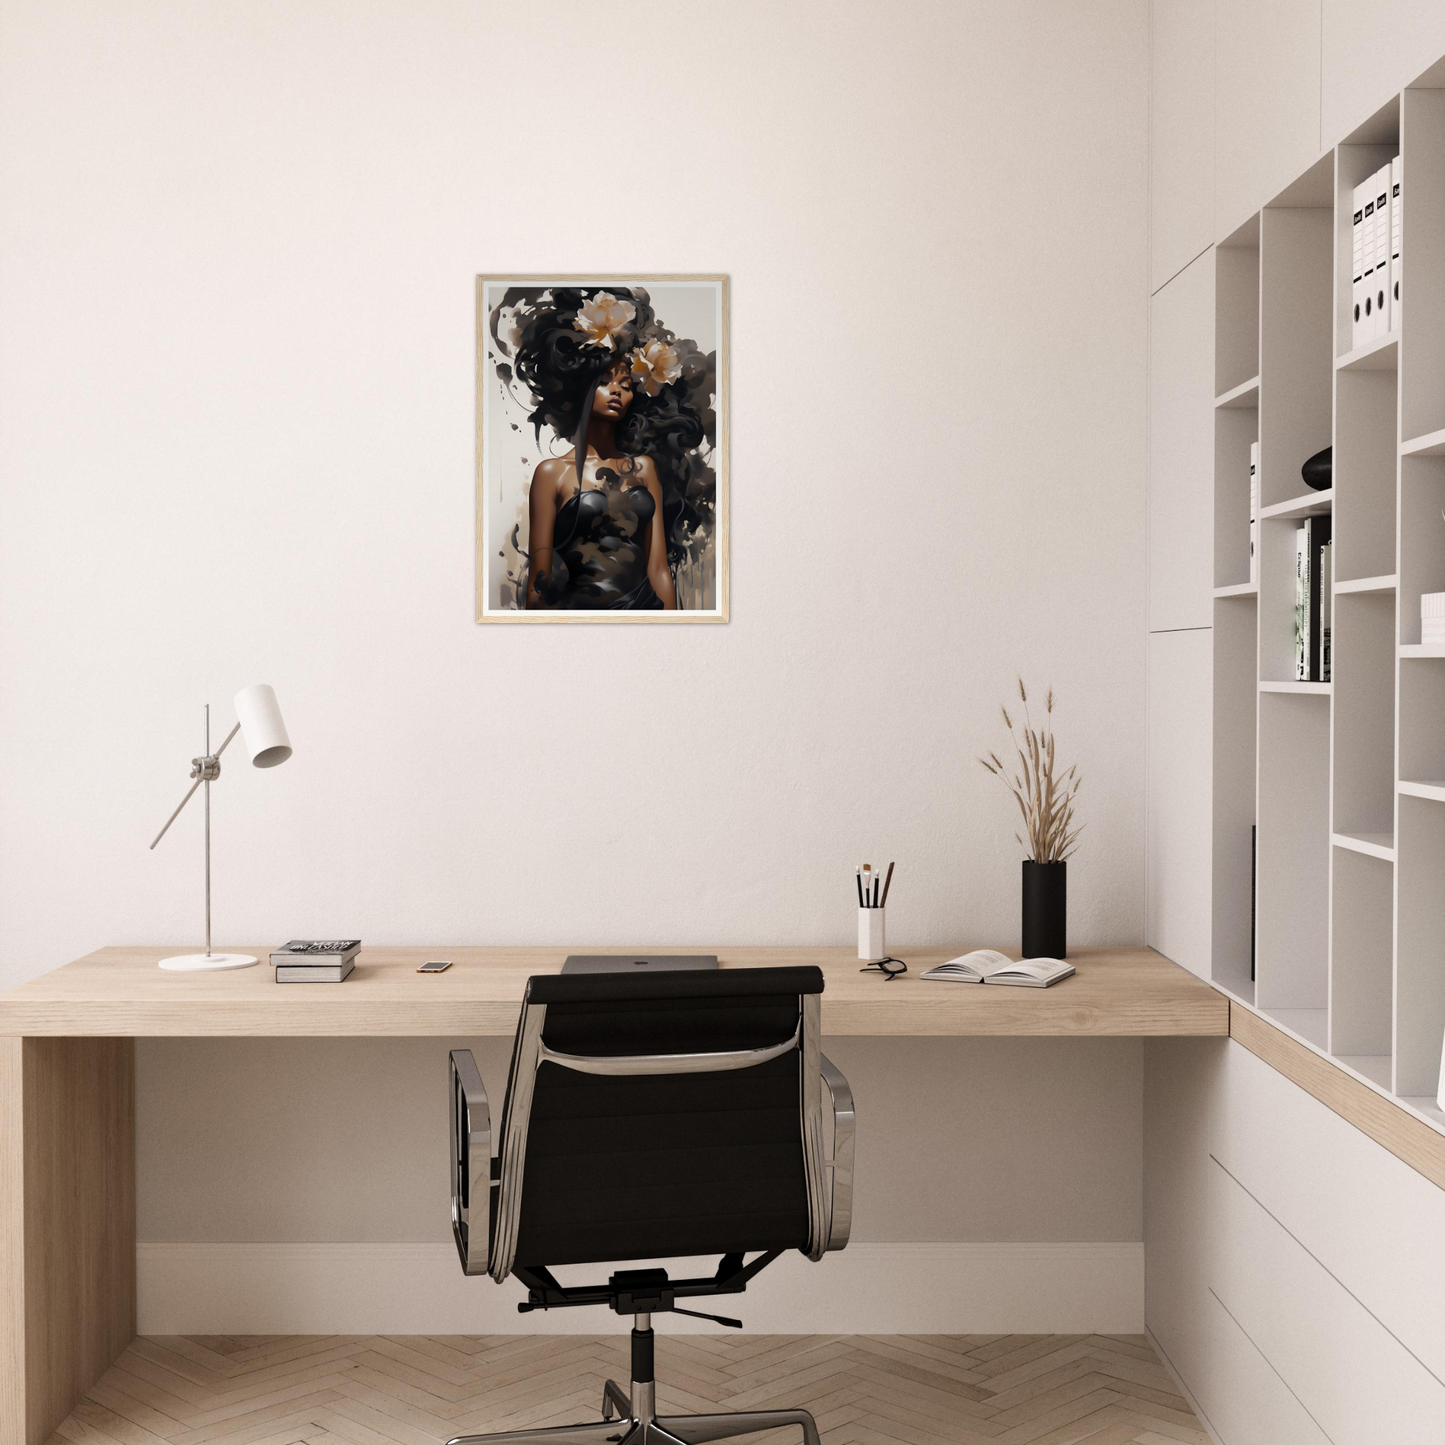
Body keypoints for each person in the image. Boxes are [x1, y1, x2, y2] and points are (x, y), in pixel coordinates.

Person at [492, 287, 710, 611]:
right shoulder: (551, 474)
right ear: (584, 385)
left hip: (643, 610)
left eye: (626, 385)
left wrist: (674, 632)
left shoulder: (644, 469)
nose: (617, 392)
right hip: (578, 619)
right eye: (606, 380)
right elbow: (540, 576)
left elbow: (659, 568)